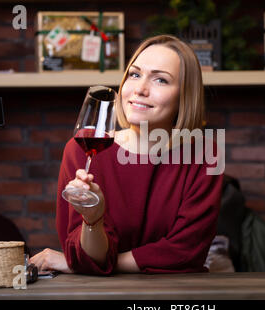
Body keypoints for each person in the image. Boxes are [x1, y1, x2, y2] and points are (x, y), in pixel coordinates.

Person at [30, 34, 223, 274]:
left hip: (177, 295)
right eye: (134, 74)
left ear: (185, 95)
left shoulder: (205, 155)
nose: (140, 89)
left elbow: (185, 252)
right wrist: (93, 220)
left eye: (161, 80)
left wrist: (86, 265)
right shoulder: (81, 149)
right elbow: (87, 255)